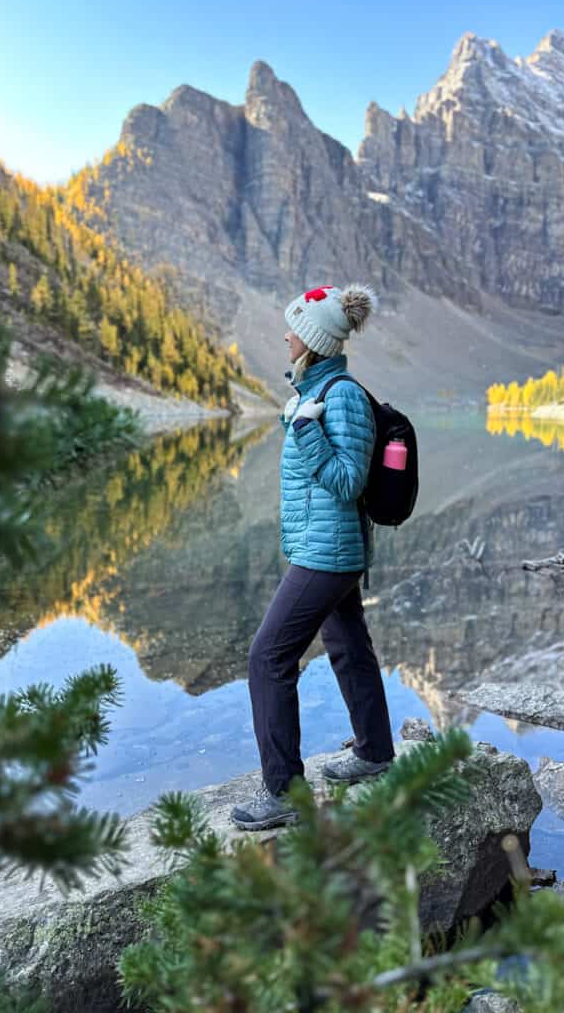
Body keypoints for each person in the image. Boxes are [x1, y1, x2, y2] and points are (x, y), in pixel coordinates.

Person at [230, 284, 396, 831]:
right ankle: (374, 753)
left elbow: (348, 481)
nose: (285, 335)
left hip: (329, 554)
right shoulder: (314, 388)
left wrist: (305, 431)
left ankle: (284, 794)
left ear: (314, 341)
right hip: (325, 548)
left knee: (267, 659)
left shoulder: (342, 395)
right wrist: (298, 418)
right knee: (348, 645)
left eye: (294, 329)